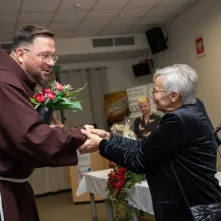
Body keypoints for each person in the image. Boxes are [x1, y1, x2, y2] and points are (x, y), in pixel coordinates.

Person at [79, 64, 221, 221]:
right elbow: (144, 147)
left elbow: (139, 161)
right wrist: (108, 137)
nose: (152, 95)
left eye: (156, 90)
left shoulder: (177, 120)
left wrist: (101, 144)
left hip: (190, 210)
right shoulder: (193, 109)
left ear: (173, 96)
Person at [0, 25, 89, 221]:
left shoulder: (14, 78)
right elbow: (30, 138)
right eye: (44, 56)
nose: (50, 63)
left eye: (53, 56)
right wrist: (81, 134)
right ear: (21, 54)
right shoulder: (5, 83)